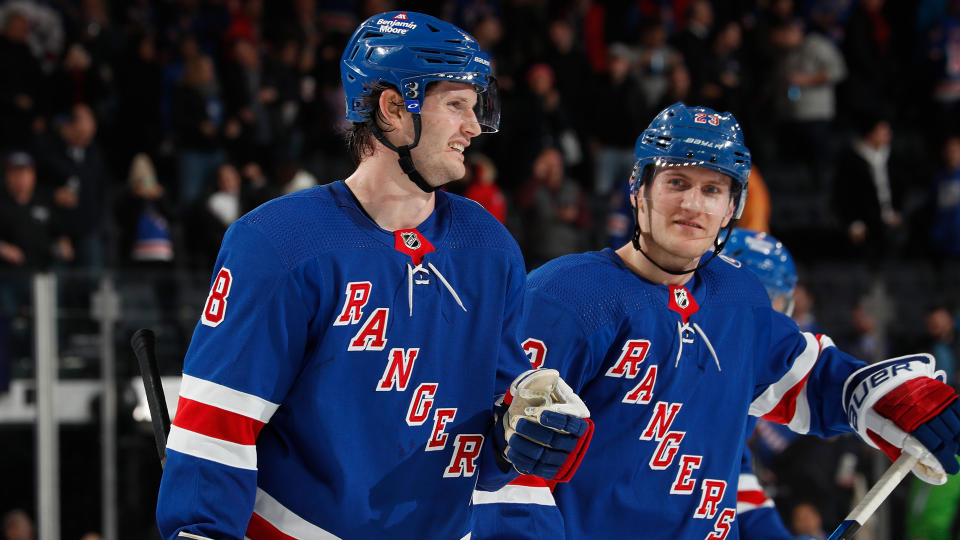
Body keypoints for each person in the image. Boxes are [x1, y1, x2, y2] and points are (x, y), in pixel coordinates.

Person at [154, 11, 591, 540]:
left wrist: (524, 426)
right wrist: (201, 530)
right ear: (391, 109)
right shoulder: (279, 243)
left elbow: (488, 421)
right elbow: (219, 422)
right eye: (455, 104)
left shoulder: (488, 246)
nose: (473, 127)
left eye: (475, 108)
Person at [473, 102, 960, 538]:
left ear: (732, 208)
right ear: (639, 191)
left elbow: (801, 378)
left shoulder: (738, 296)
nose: (692, 204)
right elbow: (510, 469)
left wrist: (888, 398)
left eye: (712, 189)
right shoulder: (565, 295)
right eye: (676, 182)